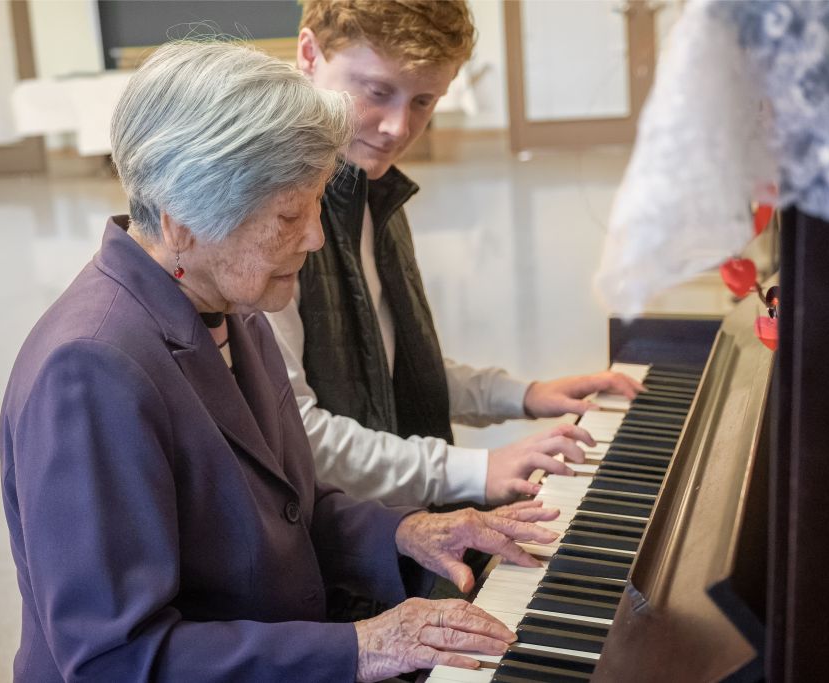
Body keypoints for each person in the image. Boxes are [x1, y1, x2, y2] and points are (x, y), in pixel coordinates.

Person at [0, 41, 563, 682]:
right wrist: (361, 647)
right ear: (185, 219)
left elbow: (288, 508)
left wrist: (407, 532)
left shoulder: (231, 305)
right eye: (289, 214)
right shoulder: (91, 370)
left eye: (318, 202)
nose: (317, 237)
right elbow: (116, 660)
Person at [266, 0, 643, 509]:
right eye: (377, 92)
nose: (399, 128)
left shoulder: (373, 191)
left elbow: (392, 370)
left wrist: (523, 395)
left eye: (424, 100)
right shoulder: (269, 209)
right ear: (309, 53)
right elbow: (296, 433)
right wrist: (477, 468)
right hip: (331, 549)